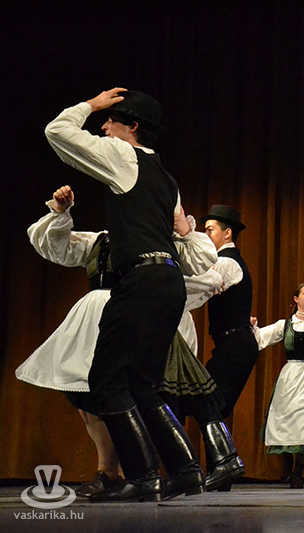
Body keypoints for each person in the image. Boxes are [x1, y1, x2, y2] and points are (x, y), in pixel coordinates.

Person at [45, 88, 213, 502]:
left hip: (140, 281)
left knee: (105, 380)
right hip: (167, 281)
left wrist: (92, 104)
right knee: (141, 383)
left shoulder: (124, 156)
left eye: (111, 120)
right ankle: (186, 471)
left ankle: (142, 476)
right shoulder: (167, 179)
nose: (104, 126)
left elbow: (58, 131)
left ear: (132, 127)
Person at [16, 185, 234, 497]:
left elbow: (196, 273)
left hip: (133, 316)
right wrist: (61, 213)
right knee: (86, 398)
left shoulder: (159, 243)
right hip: (91, 320)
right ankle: (114, 471)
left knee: (130, 395)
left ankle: (147, 473)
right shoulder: (101, 240)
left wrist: (190, 244)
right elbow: (56, 245)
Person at [251, 283, 304, 489]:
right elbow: (260, 338)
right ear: (296, 299)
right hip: (291, 376)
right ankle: (287, 464)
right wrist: (251, 326)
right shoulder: (284, 325)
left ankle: (297, 472)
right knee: (287, 419)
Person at [196, 205, 260, 422]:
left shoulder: (226, 263)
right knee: (210, 406)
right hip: (231, 344)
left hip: (236, 346)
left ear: (227, 233)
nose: (206, 235)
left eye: (210, 230)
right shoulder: (224, 261)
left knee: (209, 405)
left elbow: (196, 287)